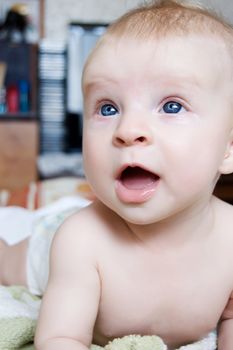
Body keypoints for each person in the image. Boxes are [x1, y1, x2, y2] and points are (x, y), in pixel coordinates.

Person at [1, 0, 233, 349]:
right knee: (11, 256)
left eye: (172, 106)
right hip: (48, 241)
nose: (128, 129)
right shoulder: (81, 241)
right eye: (108, 107)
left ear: (228, 149)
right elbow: (61, 337)